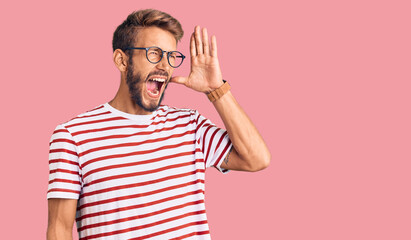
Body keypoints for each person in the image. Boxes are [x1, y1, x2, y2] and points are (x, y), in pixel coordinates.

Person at [46, 9, 270, 240]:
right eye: (154, 53)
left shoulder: (191, 125)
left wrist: (216, 90)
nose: (165, 65)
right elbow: (59, 229)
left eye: (172, 56)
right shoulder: (74, 136)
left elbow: (257, 158)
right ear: (122, 60)